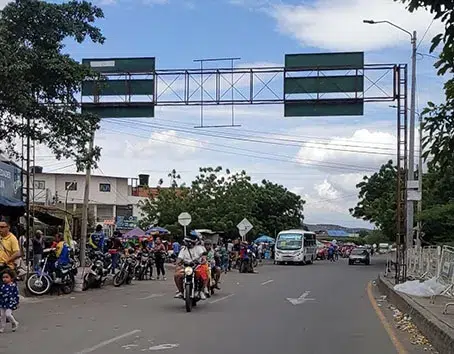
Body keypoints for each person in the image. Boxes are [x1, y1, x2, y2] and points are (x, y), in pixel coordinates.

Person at [173, 235, 208, 299]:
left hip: (197, 266)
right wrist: (177, 263)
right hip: (186, 267)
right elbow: (179, 259)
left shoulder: (198, 248)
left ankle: (201, 291)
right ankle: (181, 291)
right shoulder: (183, 250)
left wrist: (202, 261)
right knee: (177, 275)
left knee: (203, 274)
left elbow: (204, 258)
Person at [0, 268, 19, 333]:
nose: (4, 279)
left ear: (11, 278)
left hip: (10, 303)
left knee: (8, 314)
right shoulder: (2, 286)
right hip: (2, 302)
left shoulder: (13, 286)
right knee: (2, 315)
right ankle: (2, 327)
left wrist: (15, 302)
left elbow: (16, 295)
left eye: (7, 277)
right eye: (3, 277)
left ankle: (14, 322)